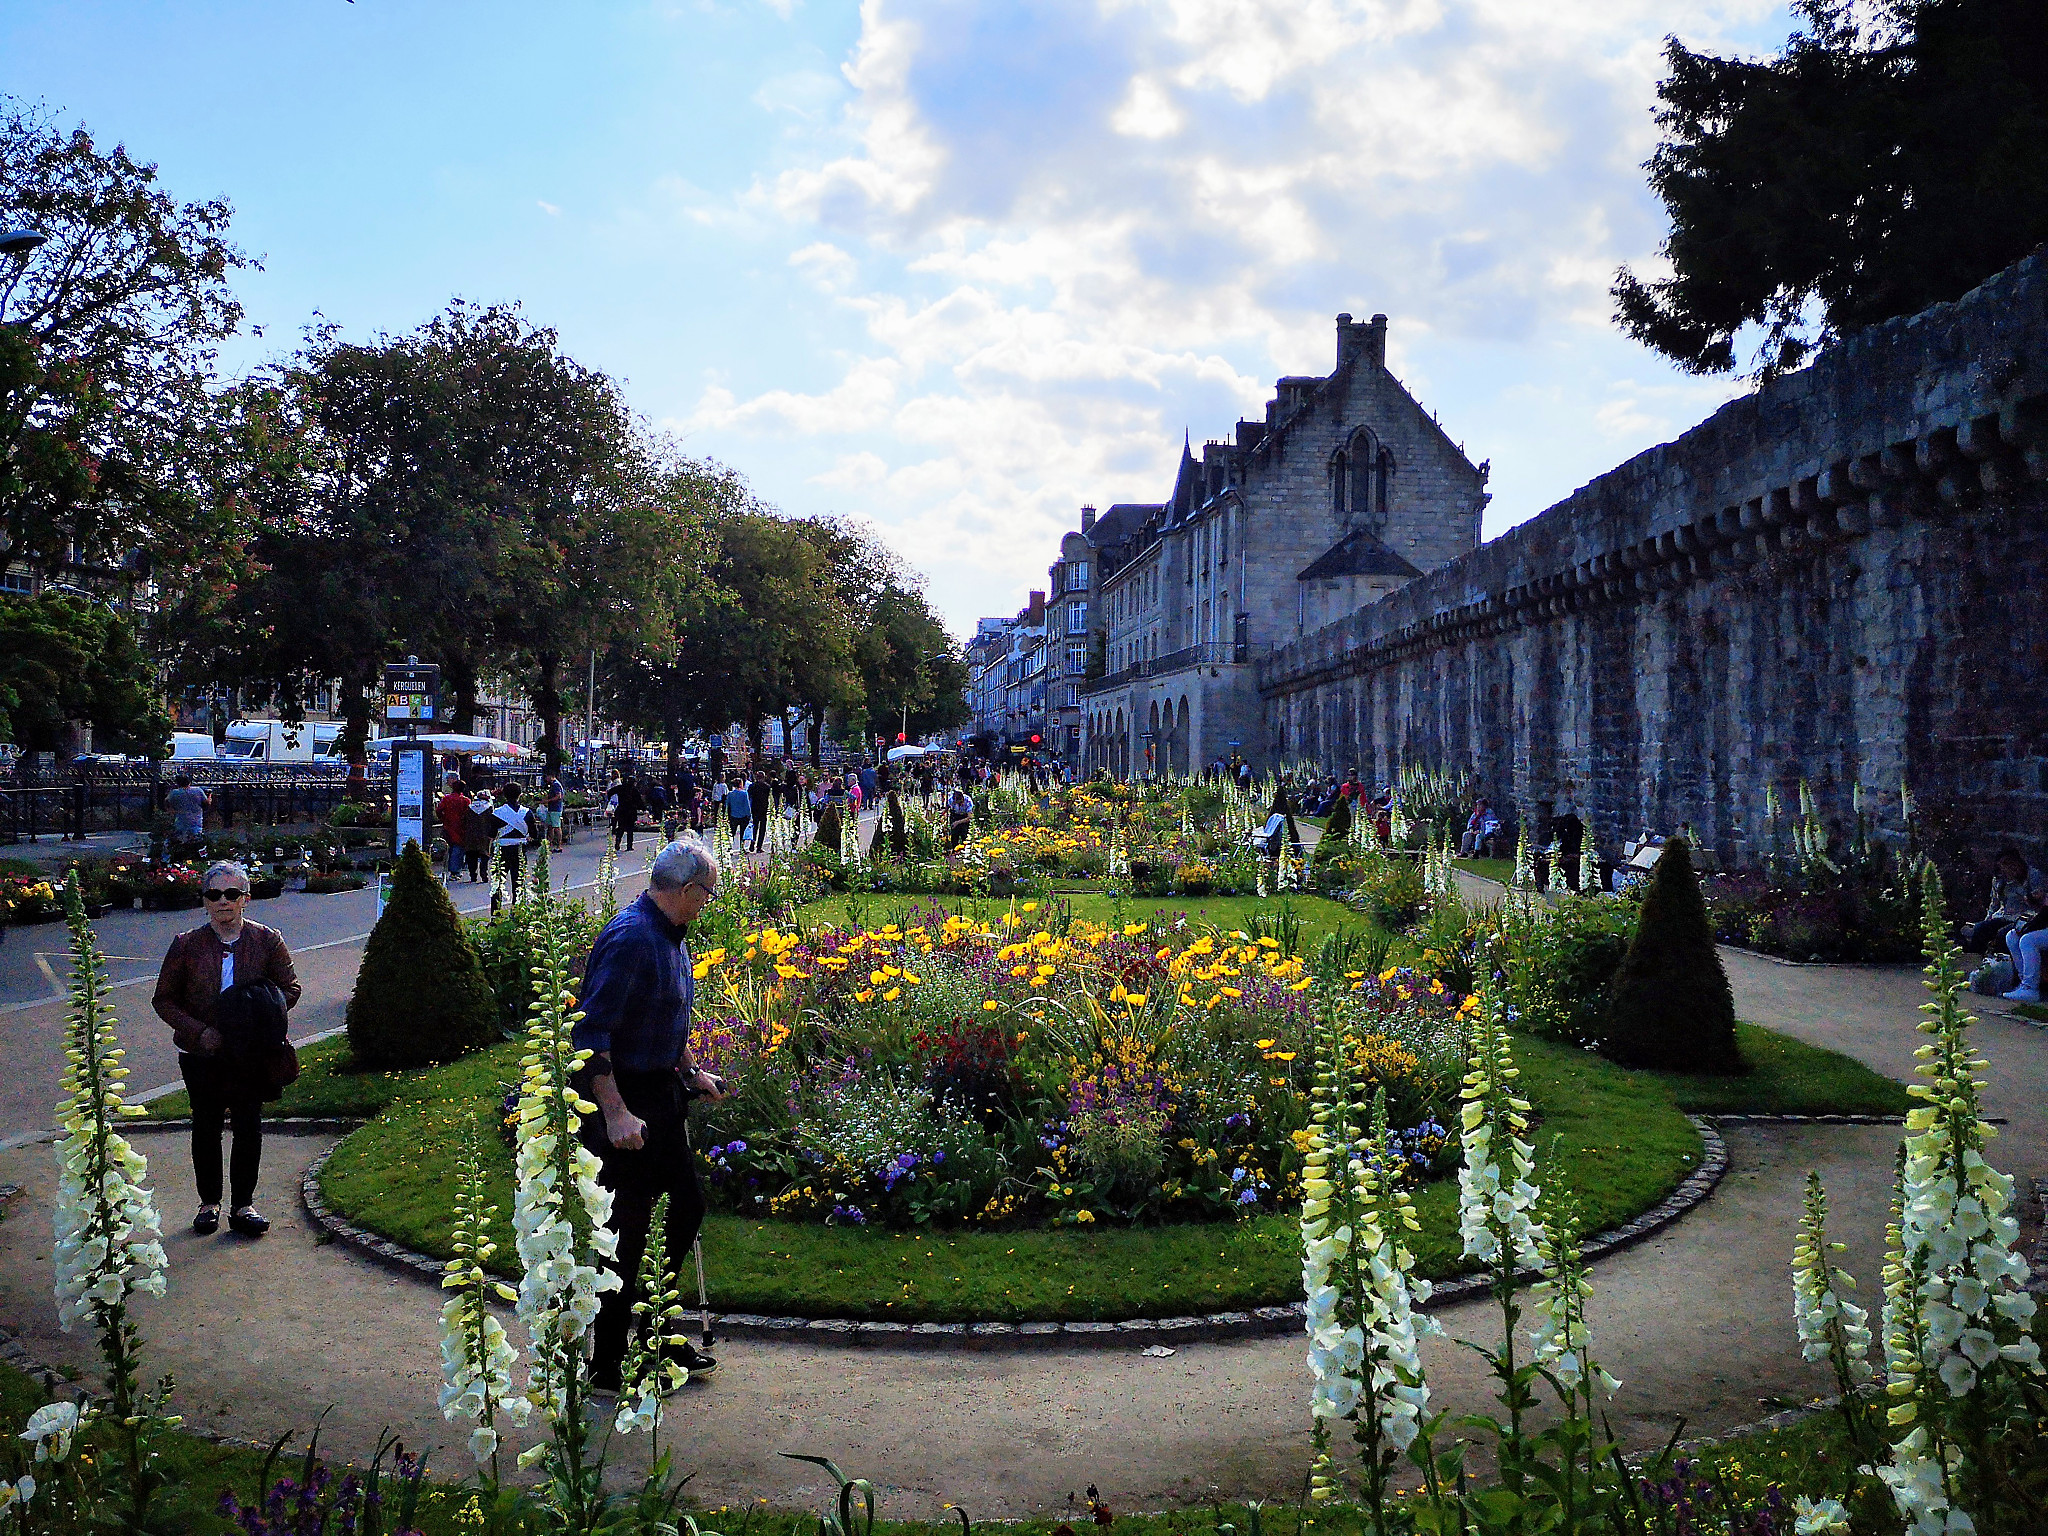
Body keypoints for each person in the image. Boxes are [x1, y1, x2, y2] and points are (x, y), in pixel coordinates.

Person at [575, 837, 726, 1390]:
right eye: (706, 893)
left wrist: (691, 1070)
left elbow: (662, 1017)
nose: (708, 903)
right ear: (685, 889)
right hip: (624, 1097)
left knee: (686, 1207)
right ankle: (608, 1364)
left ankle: (657, 1332)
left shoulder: (669, 935)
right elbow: (592, 1034)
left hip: (660, 1090)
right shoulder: (632, 940)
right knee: (628, 1232)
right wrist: (615, 1113)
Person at [152, 861, 301, 1237]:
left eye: (231, 894)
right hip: (201, 1054)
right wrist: (199, 1031)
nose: (223, 901)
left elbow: (290, 988)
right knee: (206, 1126)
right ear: (205, 901)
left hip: (249, 1054)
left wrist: (257, 1015)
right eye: (214, 894)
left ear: (245, 899)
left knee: (248, 1125)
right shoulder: (186, 944)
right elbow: (164, 999)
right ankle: (208, 1204)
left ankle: (243, 1206)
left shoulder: (267, 940)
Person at [1962, 847, 2045, 954]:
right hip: (2004, 916)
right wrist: (1988, 919)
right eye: (2004, 864)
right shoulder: (1999, 880)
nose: (2008, 867)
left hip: (2025, 917)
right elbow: (1994, 903)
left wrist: (2024, 891)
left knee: (2003, 934)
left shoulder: (2033, 875)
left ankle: (2003, 960)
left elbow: (2039, 901)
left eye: (2010, 863)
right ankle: (1976, 958)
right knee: (1980, 929)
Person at [492, 783, 538, 890]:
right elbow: (534, 834)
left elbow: (492, 834)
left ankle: (496, 901)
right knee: (518, 882)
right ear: (520, 795)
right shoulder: (527, 812)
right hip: (520, 848)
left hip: (502, 848)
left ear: (504, 795)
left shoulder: (497, 812)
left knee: (498, 882)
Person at [436, 778, 472, 882]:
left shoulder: (446, 799)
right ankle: (455, 871)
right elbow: (469, 814)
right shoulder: (466, 801)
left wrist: (443, 818)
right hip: (461, 827)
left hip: (448, 826)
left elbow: (439, 810)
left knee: (449, 847)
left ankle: (447, 868)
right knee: (458, 848)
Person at [165, 773, 210, 847]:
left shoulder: (174, 793)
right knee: (196, 842)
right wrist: (210, 796)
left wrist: (172, 810)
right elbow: (207, 802)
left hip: (180, 822)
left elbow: (166, 801)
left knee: (181, 842)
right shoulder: (198, 790)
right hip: (196, 822)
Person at [612, 774, 645, 852]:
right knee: (630, 829)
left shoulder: (621, 788)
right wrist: (644, 809)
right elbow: (639, 801)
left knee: (621, 827)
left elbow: (611, 791)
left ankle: (617, 842)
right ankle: (629, 846)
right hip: (631, 811)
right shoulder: (634, 790)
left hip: (621, 810)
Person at [724, 775, 752, 847]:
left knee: (732, 832)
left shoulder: (730, 794)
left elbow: (727, 805)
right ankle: (742, 847)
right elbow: (747, 805)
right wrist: (749, 815)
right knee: (742, 833)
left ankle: (729, 846)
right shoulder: (744, 793)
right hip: (743, 816)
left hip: (733, 815)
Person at [544, 773, 567, 852]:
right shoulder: (553, 784)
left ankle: (559, 845)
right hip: (551, 808)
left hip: (555, 809)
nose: (546, 779)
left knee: (557, 827)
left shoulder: (556, 785)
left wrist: (548, 801)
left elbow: (558, 796)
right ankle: (549, 845)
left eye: (546, 776)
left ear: (551, 776)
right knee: (550, 827)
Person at [947, 784, 973, 849]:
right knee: (954, 835)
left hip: (964, 817)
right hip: (955, 816)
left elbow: (970, 817)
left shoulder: (968, 801)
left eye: (959, 802)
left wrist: (957, 822)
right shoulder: (951, 800)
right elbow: (947, 807)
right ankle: (954, 849)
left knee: (965, 835)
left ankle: (965, 850)